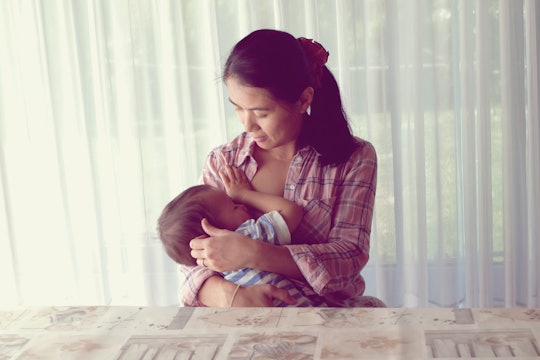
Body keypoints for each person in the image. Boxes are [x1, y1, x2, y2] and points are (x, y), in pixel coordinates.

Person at [181, 29, 381, 307]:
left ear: (303, 100)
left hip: (328, 317)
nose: (246, 125)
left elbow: (348, 257)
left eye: (261, 113)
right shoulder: (223, 162)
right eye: (237, 108)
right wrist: (235, 297)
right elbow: (189, 259)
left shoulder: (354, 158)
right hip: (241, 318)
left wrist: (253, 253)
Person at [158, 165, 322, 306]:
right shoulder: (245, 236)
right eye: (234, 206)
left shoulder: (208, 267)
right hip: (300, 312)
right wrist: (243, 194)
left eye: (236, 202)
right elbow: (292, 211)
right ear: (211, 233)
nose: (242, 206)